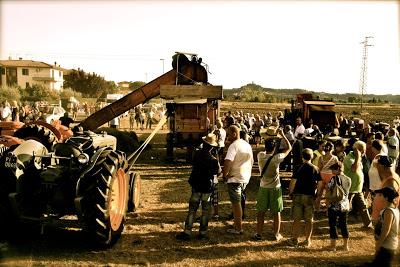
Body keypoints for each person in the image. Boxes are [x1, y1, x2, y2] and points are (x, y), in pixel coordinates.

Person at [176, 133, 221, 241]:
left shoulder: (196, 154)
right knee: (205, 211)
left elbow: (193, 164)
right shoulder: (214, 160)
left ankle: (187, 232)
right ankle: (202, 233)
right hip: (207, 187)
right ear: (212, 147)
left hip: (196, 184)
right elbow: (218, 172)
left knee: (192, 209)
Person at [253, 127, 292, 241]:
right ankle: (276, 234)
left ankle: (259, 233)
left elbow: (263, 149)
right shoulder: (277, 158)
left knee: (261, 212)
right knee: (276, 213)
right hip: (275, 187)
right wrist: (283, 135)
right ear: (275, 148)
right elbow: (289, 148)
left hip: (263, 187)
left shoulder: (260, 156)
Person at [288, 148, 322, 247]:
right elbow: (320, 183)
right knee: (309, 219)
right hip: (310, 196)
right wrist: (317, 195)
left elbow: (293, 182)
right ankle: (307, 240)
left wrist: (290, 192)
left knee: (297, 219)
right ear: (312, 157)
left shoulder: (298, 167)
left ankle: (295, 239)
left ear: (302, 157)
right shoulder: (315, 168)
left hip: (298, 195)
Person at [222, 125, 254, 234]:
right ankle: (237, 223)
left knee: (236, 204)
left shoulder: (233, 146)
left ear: (234, 134)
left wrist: (225, 174)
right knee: (238, 202)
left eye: (228, 134)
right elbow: (251, 161)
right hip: (244, 178)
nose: (227, 136)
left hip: (234, 178)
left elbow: (228, 161)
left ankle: (238, 228)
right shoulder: (247, 145)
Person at [343, 140, 372, 229]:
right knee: (345, 207)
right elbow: (354, 169)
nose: (364, 152)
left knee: (363, 206)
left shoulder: (359, 158)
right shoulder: (349, 158)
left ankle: (368, 224)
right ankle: (341, 225)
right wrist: (358, 157)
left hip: (358, 188)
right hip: (350, 188)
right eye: (363, 150)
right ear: (357, 150)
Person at [370, 187, 399, 267]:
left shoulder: (388, 211)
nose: (378, 197)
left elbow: (386, 229)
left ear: (386, 198)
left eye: (380, 195)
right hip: (388, 245)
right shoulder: (394, 209)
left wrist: (379, 244)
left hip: (387, 246)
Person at [326, 162, 352, 251]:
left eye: (333, 169)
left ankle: (333, 246)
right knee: (344, 224)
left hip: (334, 205)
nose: (332, 171)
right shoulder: (349, 179)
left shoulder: (334, 178)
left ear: (338, 169)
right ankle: (345, 246)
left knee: (333, 224)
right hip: (345, 205)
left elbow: (328, 188)